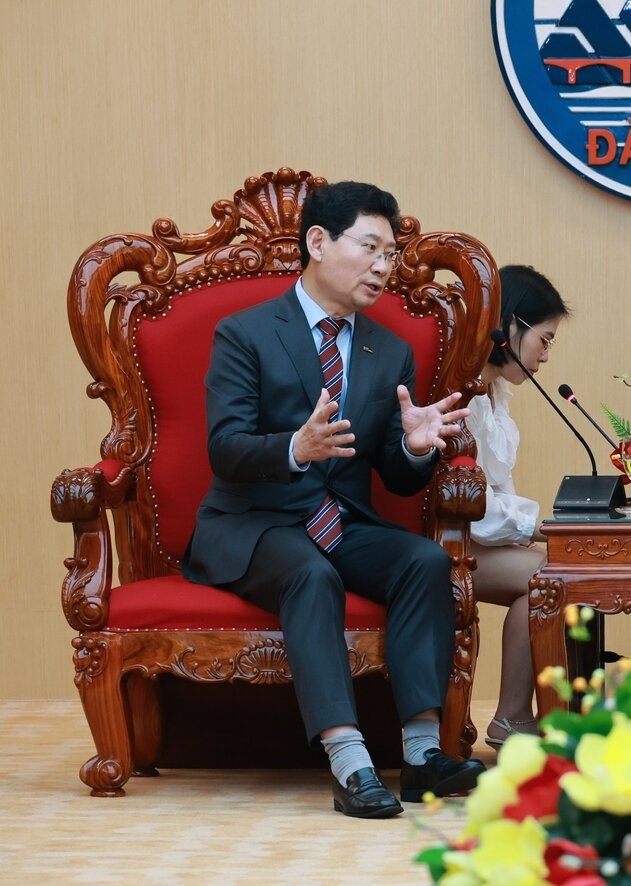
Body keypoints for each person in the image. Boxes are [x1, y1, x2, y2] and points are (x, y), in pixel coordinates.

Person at [182, 180, 485, 819]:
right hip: (252, 523)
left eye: (390, 255)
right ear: (318, 243)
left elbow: (398, 479)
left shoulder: (388, 351)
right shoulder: (245, 333)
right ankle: (350, 764)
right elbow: (224, 448)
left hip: (339, 522)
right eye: (369, 248)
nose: (383, 266)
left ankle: (423, 756)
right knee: (310, 575)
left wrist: (416, 447)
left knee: (424, 561)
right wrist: (295, 447)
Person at [461, 264, 569, 748]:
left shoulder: (495, 393)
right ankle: (516, 718)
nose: (545, 354)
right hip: (444, 538)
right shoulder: (461, 390)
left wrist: (538, 530)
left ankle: (533, 715)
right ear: (509, 327)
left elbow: (499, 491)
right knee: (549, 574)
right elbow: (473, 508)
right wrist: (541, 526)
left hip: (475, 539)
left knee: (561, 569)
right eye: (544, 340)